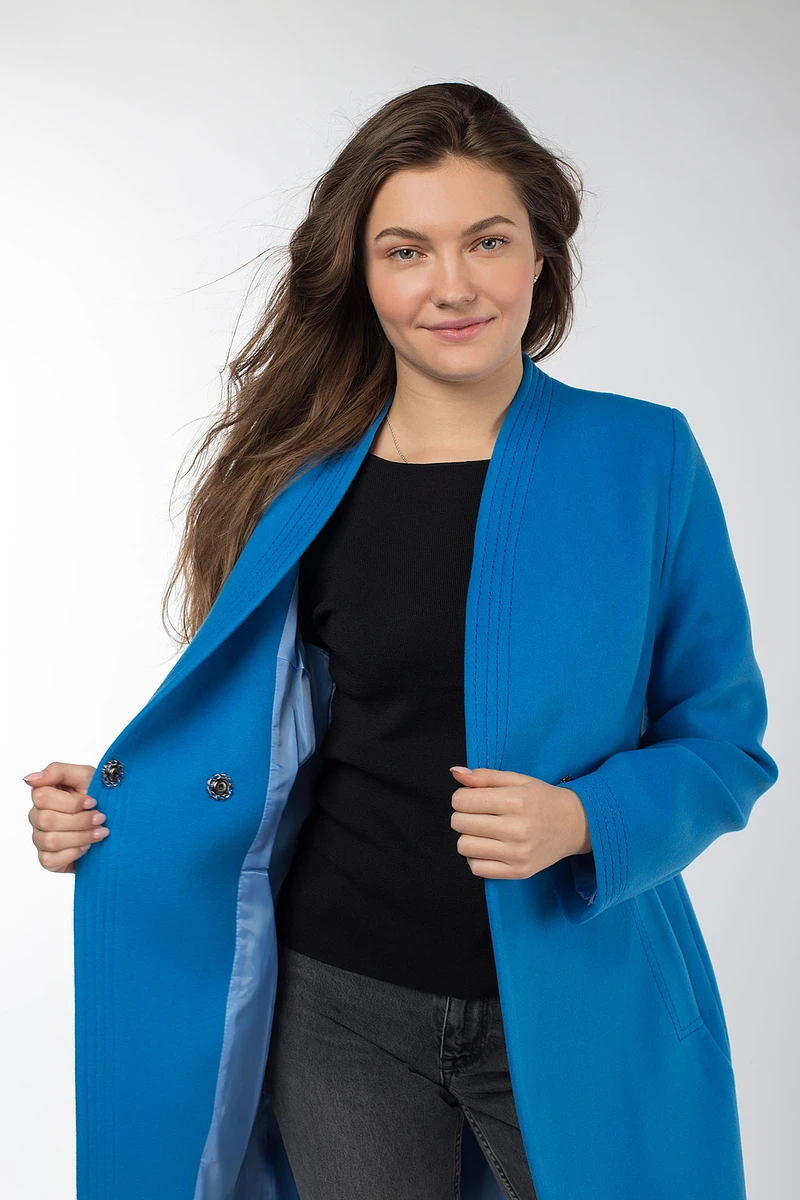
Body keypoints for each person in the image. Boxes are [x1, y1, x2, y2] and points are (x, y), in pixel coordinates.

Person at [24, 81, 777, 1200]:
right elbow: (266, 734)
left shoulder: (642, 458)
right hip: (338, 1006)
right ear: (363, 274)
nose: (452, 285)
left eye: (487, 241)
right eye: (407, 251)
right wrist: (122, 809)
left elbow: (724, 743)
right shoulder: (295, 484)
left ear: (539, 257)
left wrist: (582, 818)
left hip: (576, 999)